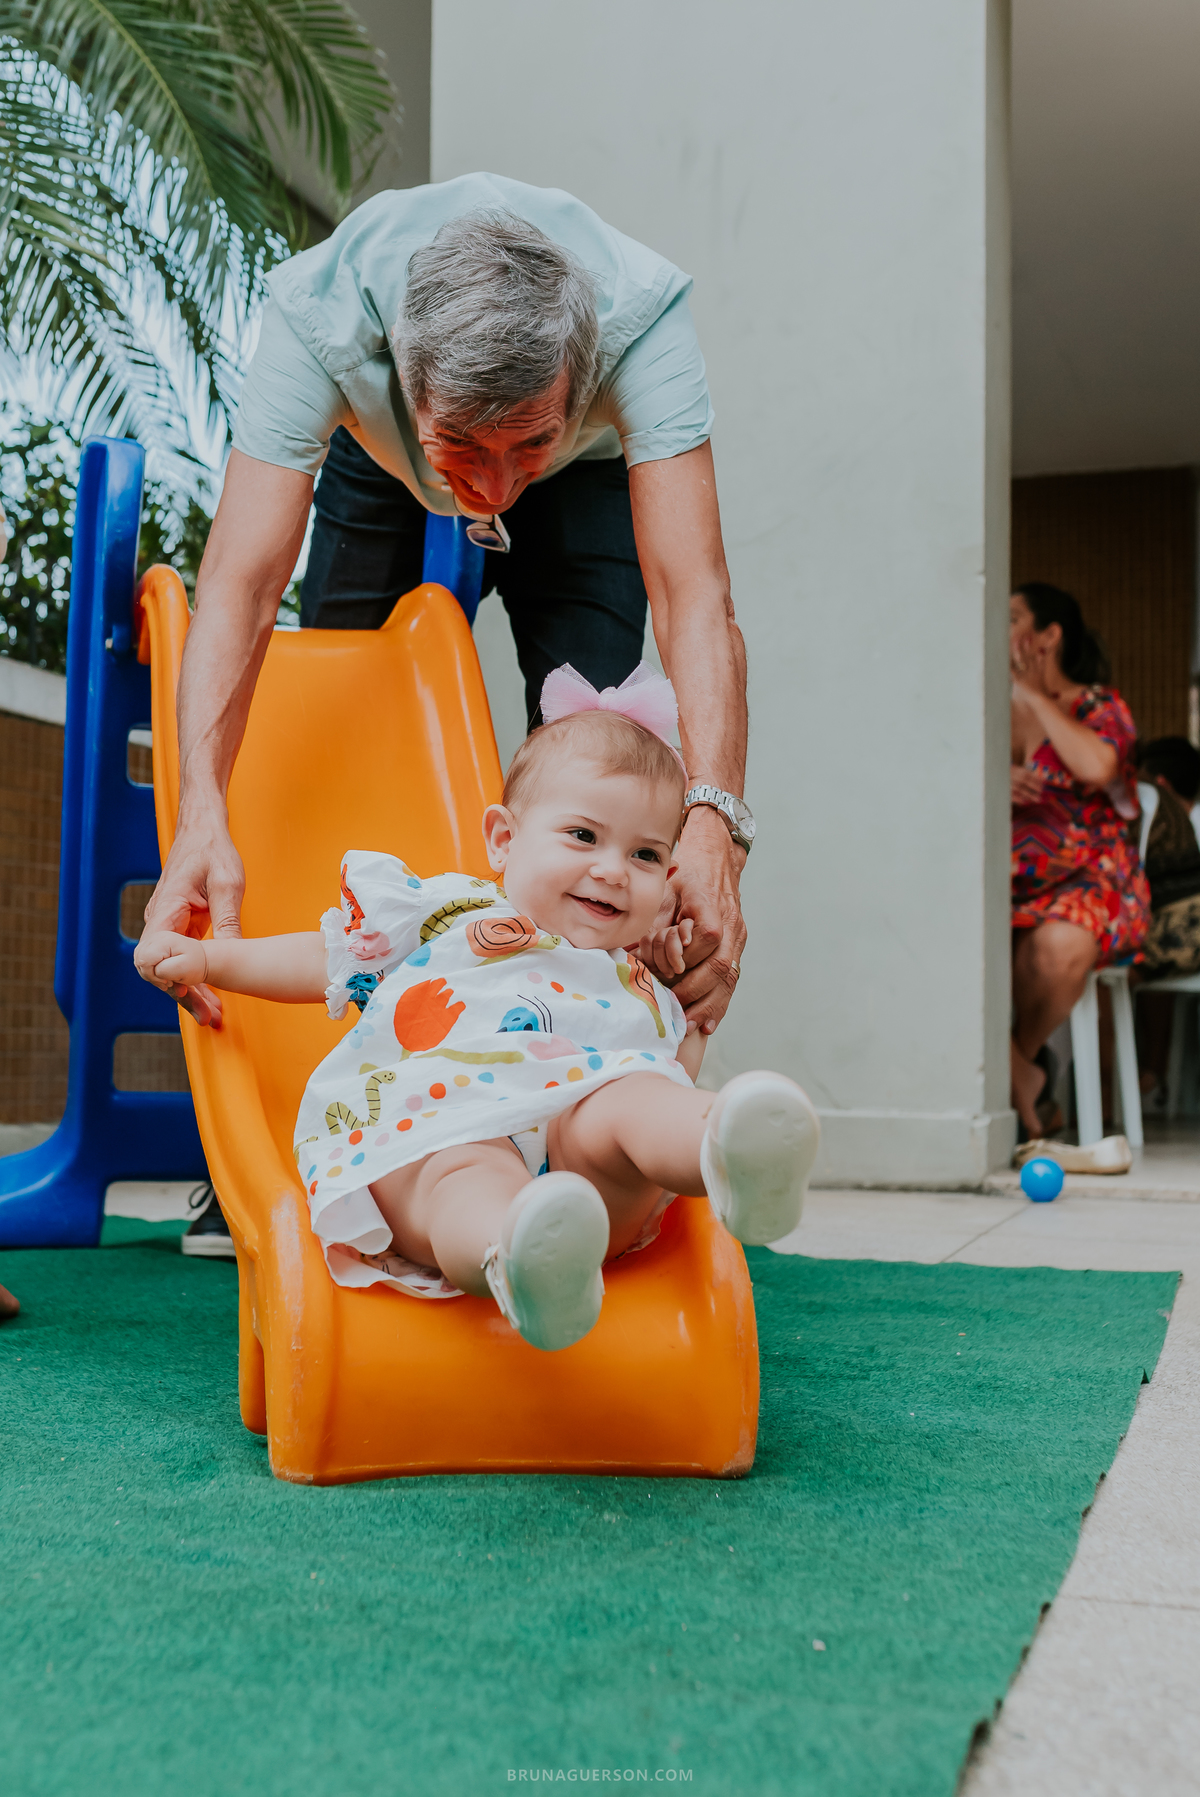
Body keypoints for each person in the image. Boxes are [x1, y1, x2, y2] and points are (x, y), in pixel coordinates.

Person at [144, 176, 755, 1257]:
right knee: (338, 697)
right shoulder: (321, 326)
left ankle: (602, 1116)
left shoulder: (642, 324)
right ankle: (326, 1124)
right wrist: (201, 813)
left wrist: (714, 826)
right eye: (466, 451)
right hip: (379, 465)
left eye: (526, 442)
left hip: (596, 471)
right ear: (399, 378)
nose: (497, 486)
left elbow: (695, 597)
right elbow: (238, 587)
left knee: (607, 768)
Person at [134, 667, 818, 1352]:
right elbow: (330, 959)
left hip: (587, 1188)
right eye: (583, 835)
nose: (613, 869)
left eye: (645, 853)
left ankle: (726, 1149)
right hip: (440, 1125)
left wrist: (689, 1016)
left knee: (633, 1098)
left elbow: (669, 1060)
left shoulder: (638, 973)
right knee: (467, 1170)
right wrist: (215, 960)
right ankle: (516, 1256)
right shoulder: (450, 912)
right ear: (502, 838)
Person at [1009, 582, 1150, 1137]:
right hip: (1010, 889)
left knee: (1058, 943)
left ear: (1049, 637)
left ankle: (1016, 1065)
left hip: (1094, 885)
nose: (1002, 629)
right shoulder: (989, 709)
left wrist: (1036, 695)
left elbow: (1097, 767)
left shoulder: (1099, 705)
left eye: (1014, 617)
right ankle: (1027, 1073)